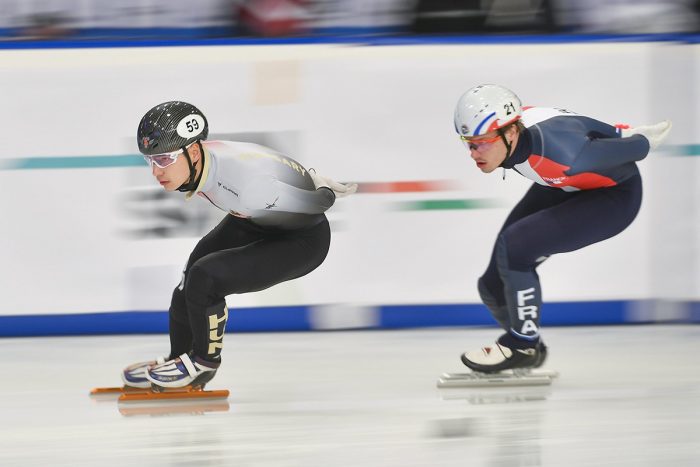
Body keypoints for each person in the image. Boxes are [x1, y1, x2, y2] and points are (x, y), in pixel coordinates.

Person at [121, 101, 356, 389]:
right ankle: (179, 357)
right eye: (150, 161)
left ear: (193, 152)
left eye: (164, 159)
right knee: (189, 277)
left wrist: (322, 187)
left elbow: (319, 202)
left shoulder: (248, 185)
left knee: (206, 277)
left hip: (301, 240)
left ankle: (203, 364)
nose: (156, 171)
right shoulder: (206, 159)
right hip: (256, 219)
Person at [453, 84, 671, 373]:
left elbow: (632, 150)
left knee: (517, 246)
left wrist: (639, 140)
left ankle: (521, 345)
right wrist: (618, 131)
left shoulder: (564, 156)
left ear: (511, 132)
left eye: (482, 142)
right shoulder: (523, 122)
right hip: (566, 185)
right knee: (493, 286)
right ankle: (531, 347)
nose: (473, 153)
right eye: (468, 143)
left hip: (613, 198)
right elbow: (580, 124)